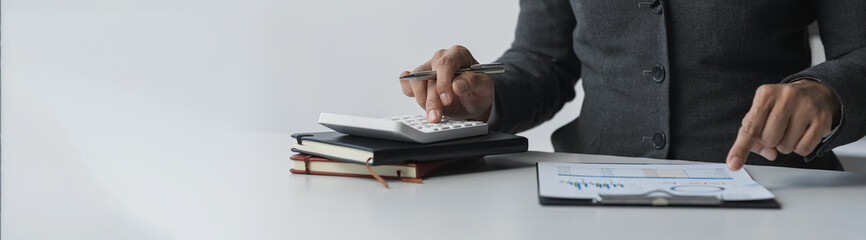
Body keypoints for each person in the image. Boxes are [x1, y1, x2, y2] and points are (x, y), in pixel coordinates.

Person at [398, 0, 866, 171]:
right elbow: (544, 59)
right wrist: (483, 96)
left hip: (772, 189)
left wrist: (825, 92)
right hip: (591, 194)